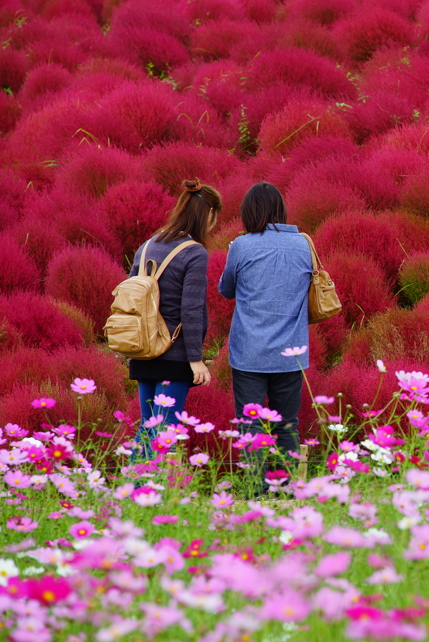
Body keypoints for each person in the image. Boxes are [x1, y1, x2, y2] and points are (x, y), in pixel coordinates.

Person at [218, 182, 312, 473]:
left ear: (249, 212)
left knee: (251, 426)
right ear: (280, 210)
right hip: (291, 352)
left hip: (250, 352)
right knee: (287, 424)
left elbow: (226, 290)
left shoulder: (242, 246)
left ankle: (254, 492)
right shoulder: (303, 244)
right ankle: (286, 491)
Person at [128, 179, 220, 444]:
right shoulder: (194, 252)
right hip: (174, 354)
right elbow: (191, 309)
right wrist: (195, 359)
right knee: (165, 433)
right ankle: (149, 485)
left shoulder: (147, 245)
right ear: (209, 214)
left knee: (148, 428)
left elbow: (131, 296)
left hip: (143, 351)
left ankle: (133, 483)